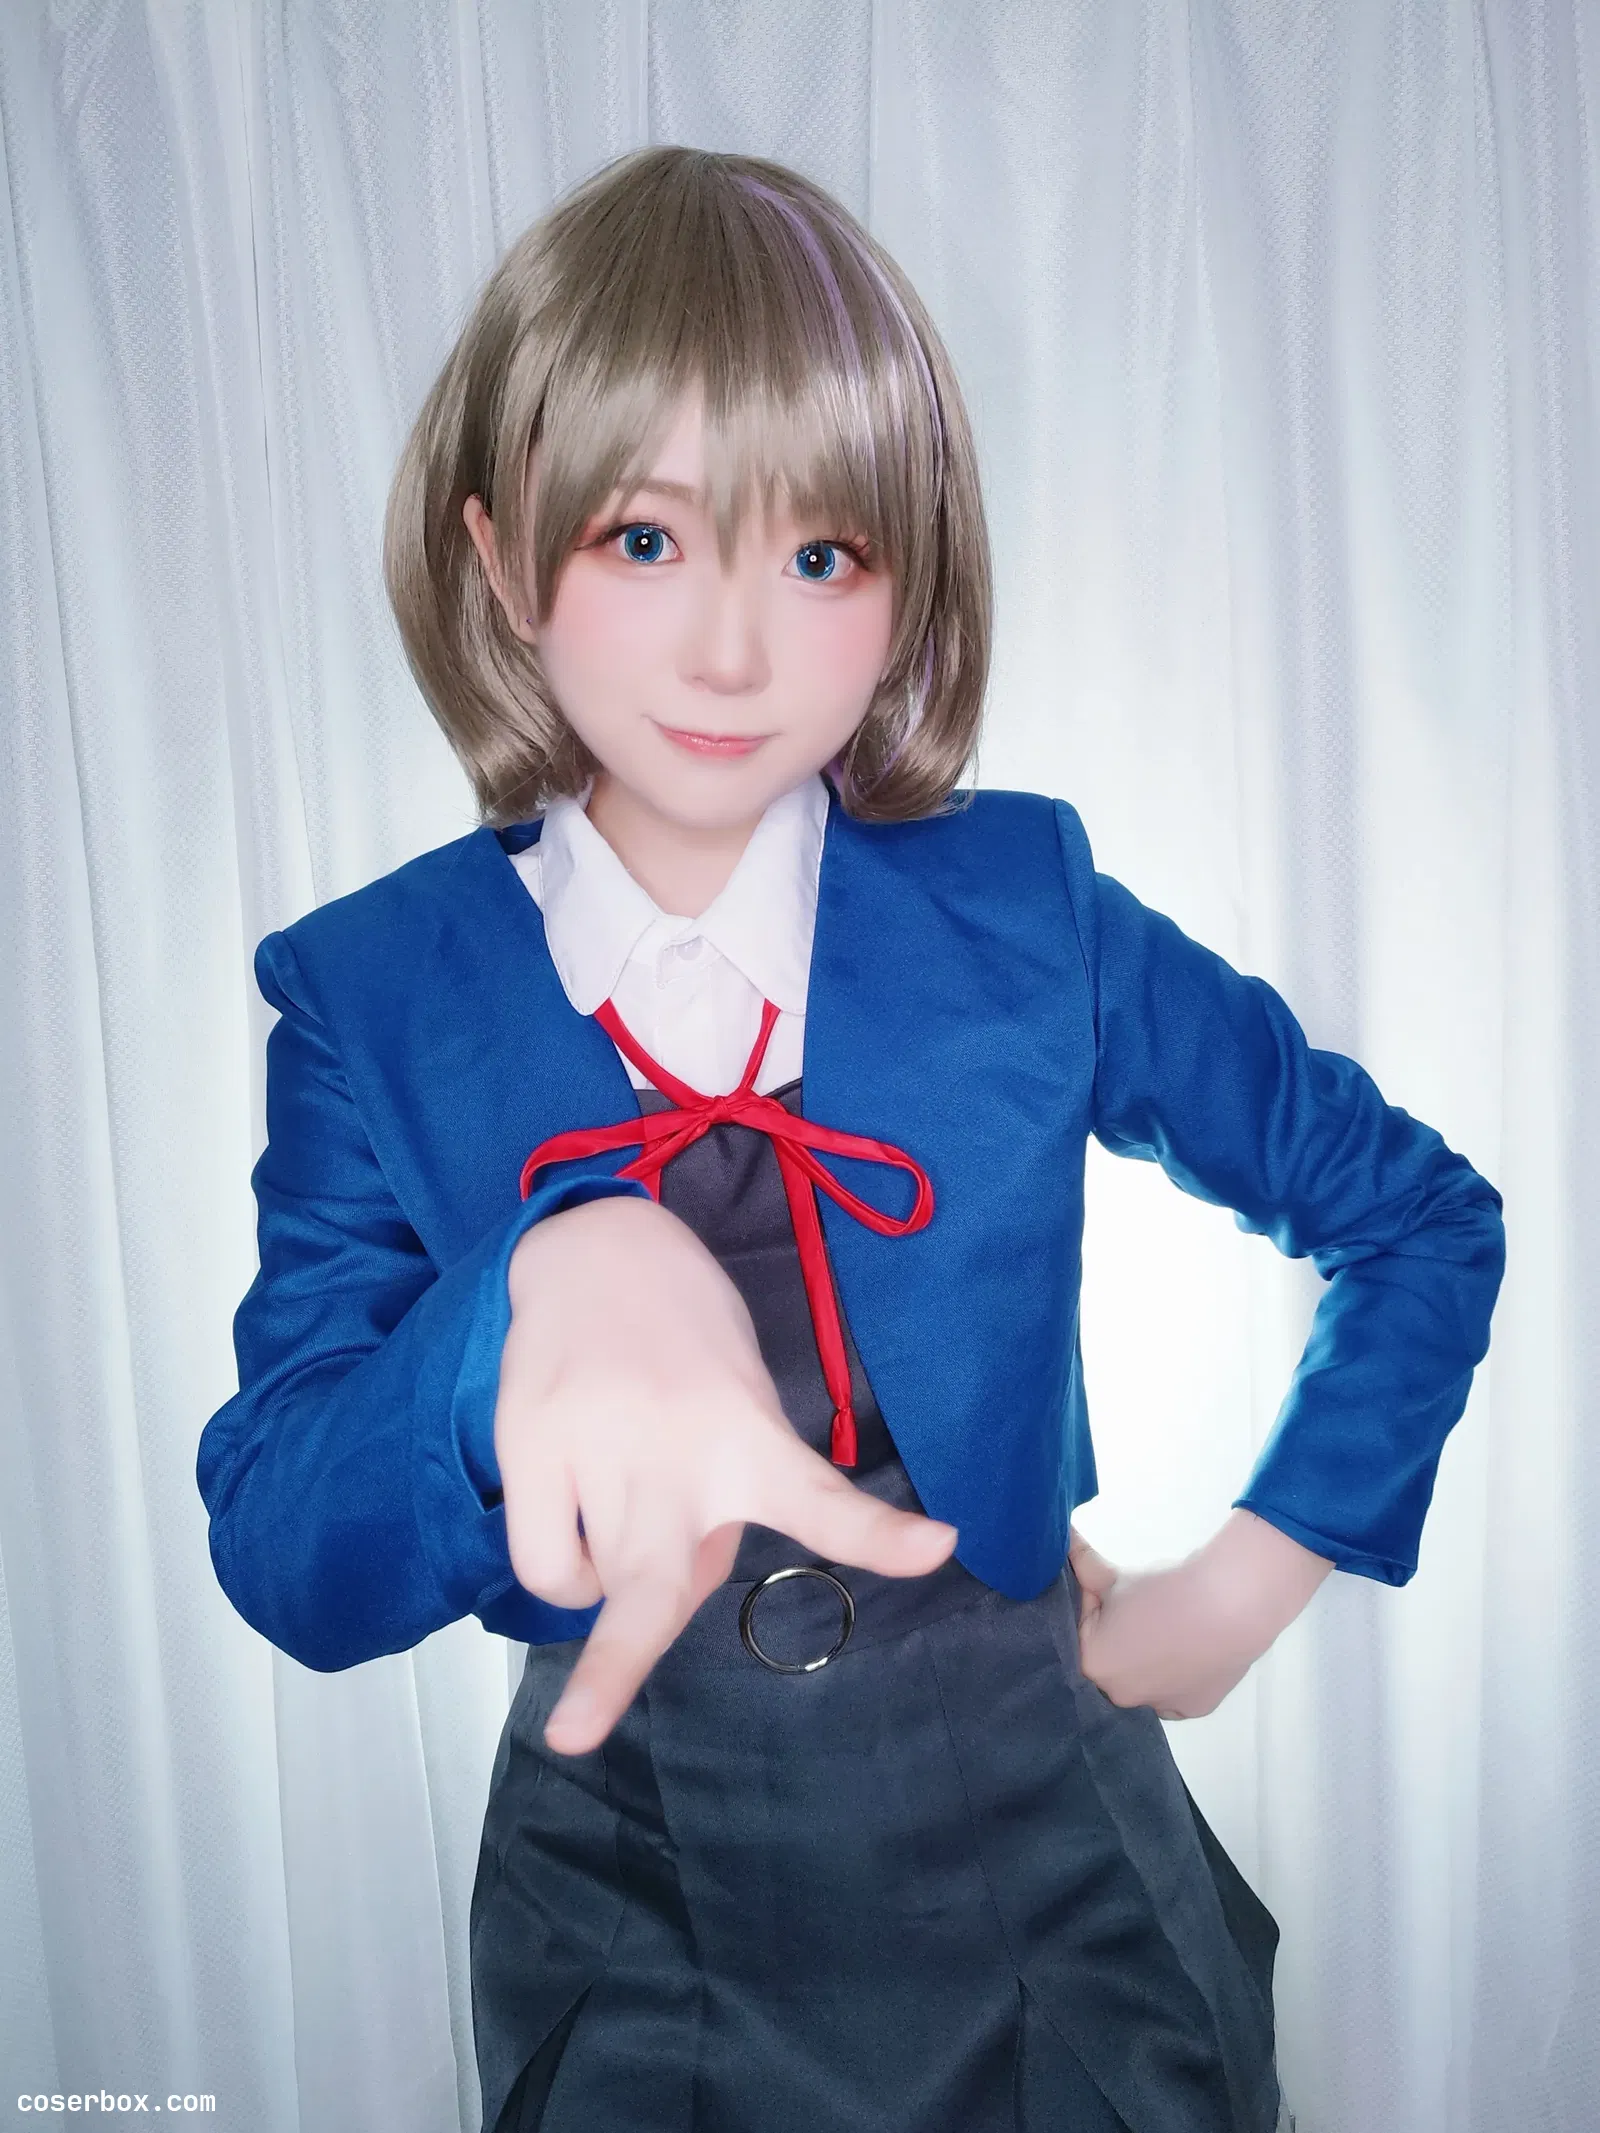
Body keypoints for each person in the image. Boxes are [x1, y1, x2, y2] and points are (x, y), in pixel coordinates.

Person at [196, 146, 1506, 2133]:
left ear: (910, 579)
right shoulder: (372, 994)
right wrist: (527, 1301)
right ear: (497, 557)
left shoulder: (1028, 911)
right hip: (633, 1927)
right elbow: (286, 1540)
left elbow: (1413, 1216)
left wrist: (1241, 1588)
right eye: (645, 540)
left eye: (821, 555)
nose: (733, 652)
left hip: (1056, 1885)